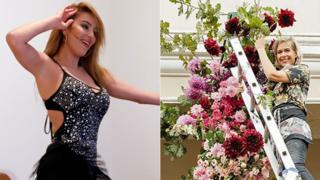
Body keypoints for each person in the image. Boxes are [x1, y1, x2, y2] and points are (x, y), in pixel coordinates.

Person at [6, 2, 159, 180]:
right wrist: (54, 21)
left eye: (95, 32)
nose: (91, 36)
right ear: (66, 27)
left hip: (90, 168)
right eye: (85, 26)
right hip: (61, 169)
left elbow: (140, 97)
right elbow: (14, 38)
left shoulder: (96, 74)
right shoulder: (49, 68)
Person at [255, 37, 313, 180]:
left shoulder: (301, 70)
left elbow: (272, 74)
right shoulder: (273, 85)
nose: (283, 55)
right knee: (286, 173)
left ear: (296, 54)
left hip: (294, 123)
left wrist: (260, 49)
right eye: (279, 52)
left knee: (295, 167)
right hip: (277, 128)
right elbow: (261, 104)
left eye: (287, 50)